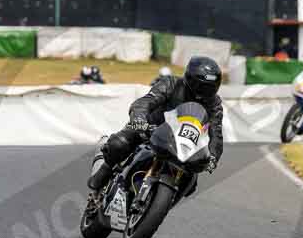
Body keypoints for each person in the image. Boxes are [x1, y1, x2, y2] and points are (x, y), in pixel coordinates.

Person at [88, 56, 224, 193]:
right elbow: (145, 102)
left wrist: (213, 157)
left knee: (191, 182)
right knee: (119, 144)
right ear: (189, 79)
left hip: (183, 143)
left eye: (210, 88)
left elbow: (216, 134)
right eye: (200, 86)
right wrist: (140, 120)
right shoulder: (171, 83)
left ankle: (162, 199)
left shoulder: (214, 104)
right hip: (150, 128)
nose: (204, 92)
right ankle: (105, 168)